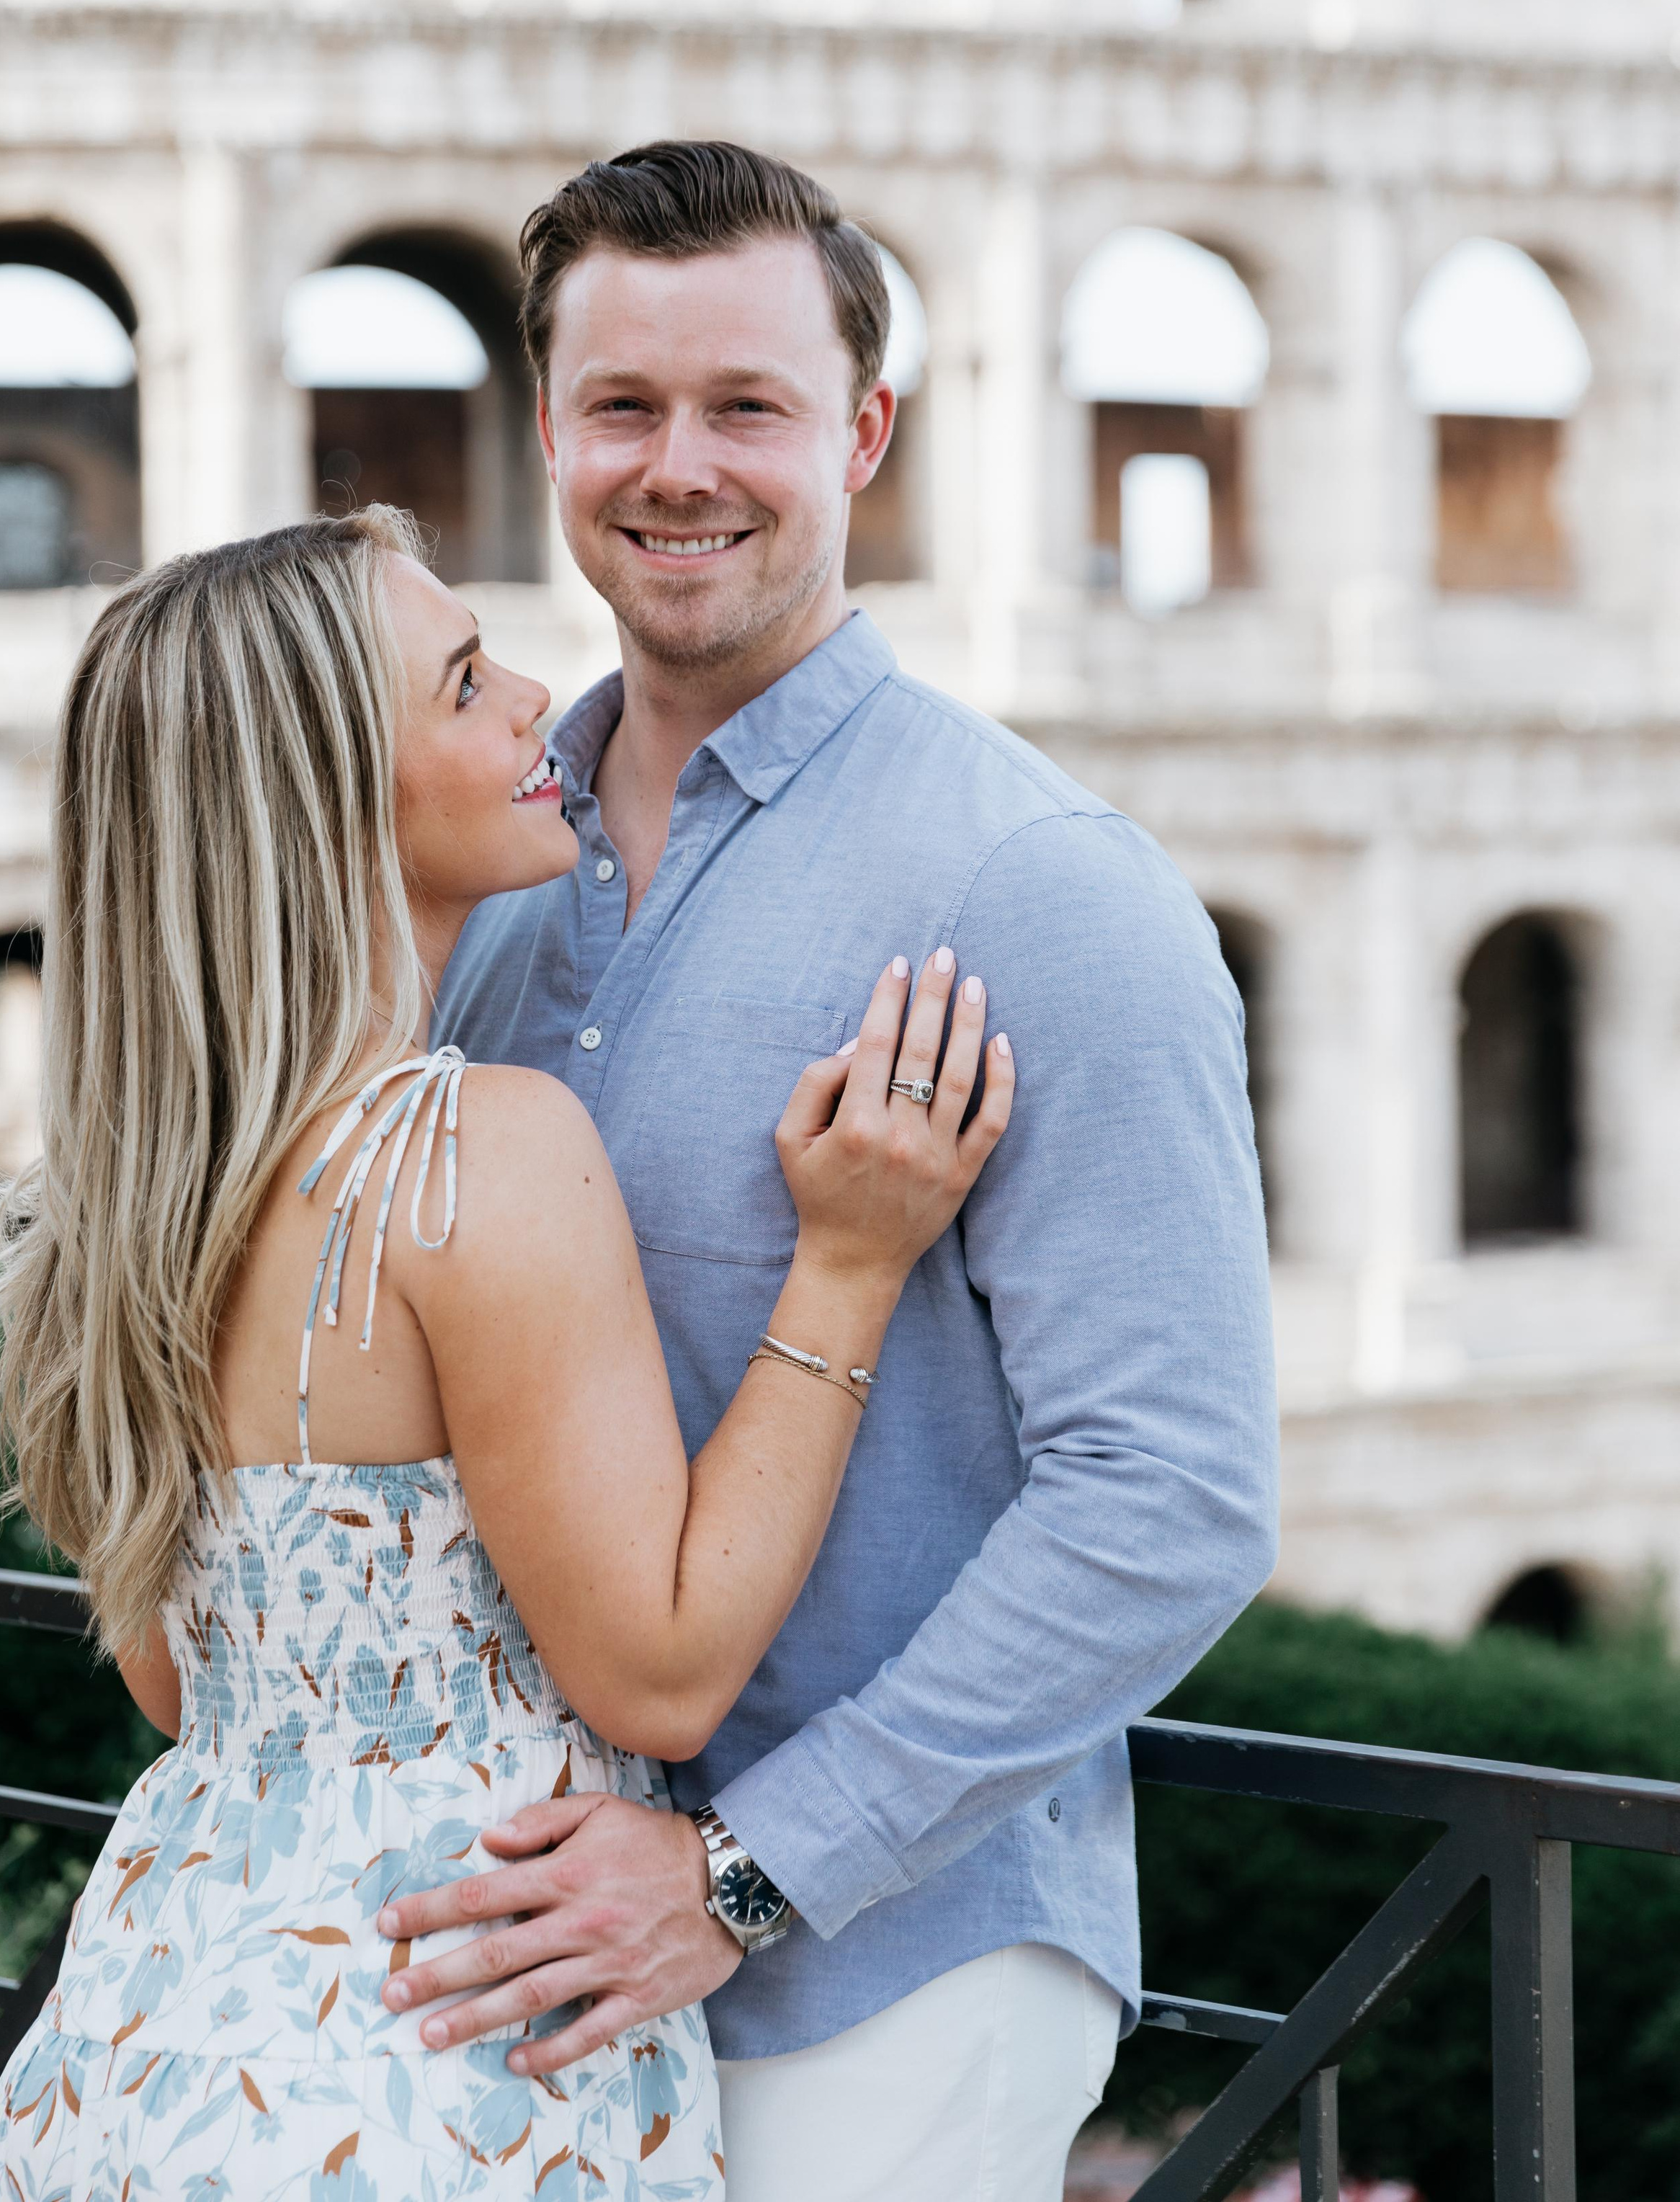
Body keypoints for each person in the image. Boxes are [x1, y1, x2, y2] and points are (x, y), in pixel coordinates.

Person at [385, 141, 1281, 2202]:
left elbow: (1175, 1499)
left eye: (748, 409)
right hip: (516, 1963)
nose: (678, 464)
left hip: (881, 1980)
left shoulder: (1038, 893)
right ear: (548, 430)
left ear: (863, 431)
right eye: (624, 406)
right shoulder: (488, 887)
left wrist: (749, 1874)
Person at [0, 506, 1014, 2200]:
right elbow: (657, 1674)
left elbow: (184, 1686)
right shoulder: (471, 1156)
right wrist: (849, 1262)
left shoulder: (127, 1209)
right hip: (441, 2060)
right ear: (326, 801)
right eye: (461, 683)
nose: (535, 694)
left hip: (150, 2039)